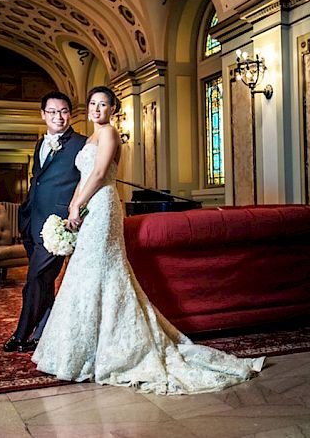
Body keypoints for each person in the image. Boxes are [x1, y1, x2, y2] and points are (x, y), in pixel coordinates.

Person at [31, 86, 265, 394]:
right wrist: (73, 208)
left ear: (113, 109)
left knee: (103, 269)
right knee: (84, 273)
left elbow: (100, 173)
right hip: (89, 208)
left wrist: (79, 204)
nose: (96, 109)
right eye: (92, 104)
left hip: (103, 207)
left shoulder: (111, 134)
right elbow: (84, 177)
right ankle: (86, 349)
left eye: (103, 104)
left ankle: (116, 351)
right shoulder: (89, 139)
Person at [4, 91, 87, 353]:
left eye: (63, 111)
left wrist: (74, 213)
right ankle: (46, 331)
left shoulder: (82, 143)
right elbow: (37, 180)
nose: (58, 117)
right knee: (43, 282)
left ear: (69, 114)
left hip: (59, 225)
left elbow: (87, 182)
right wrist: (26, 214)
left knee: (35, 280)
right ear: (43, 115)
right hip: (32, 221)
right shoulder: (41, 143)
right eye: (52, 112)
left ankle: (22, 336)